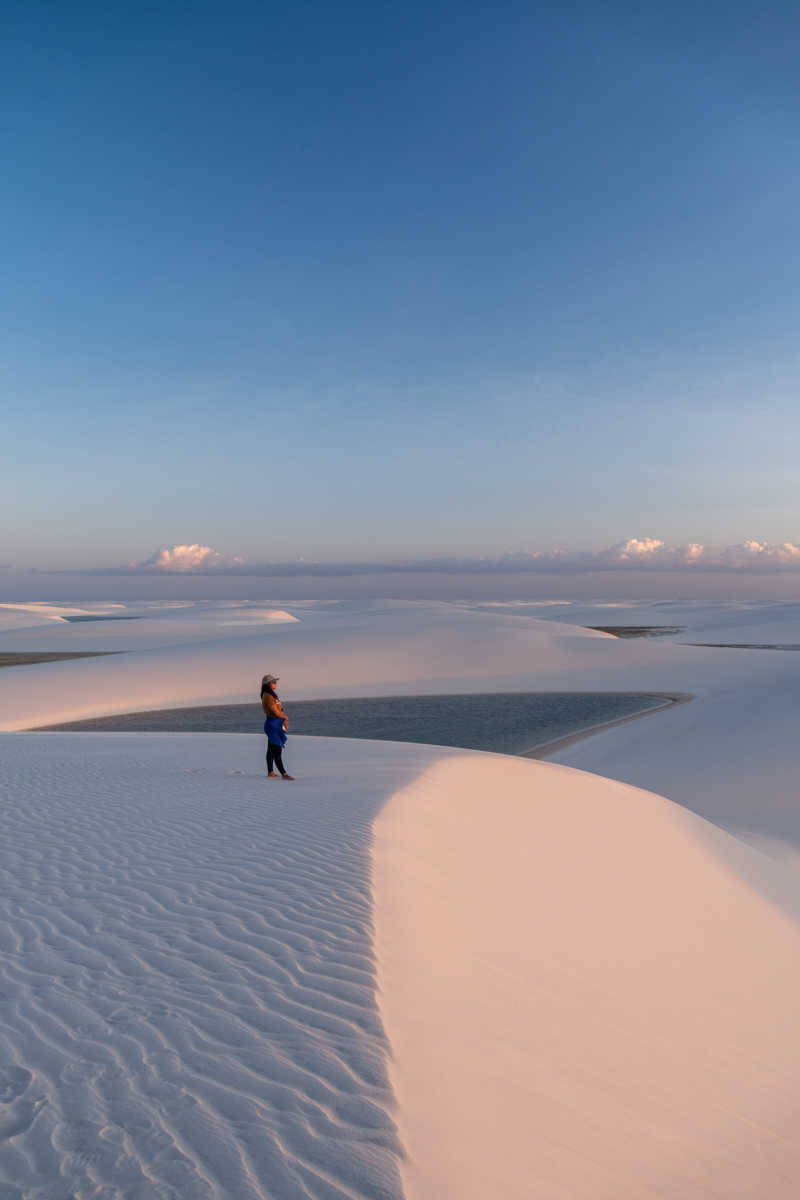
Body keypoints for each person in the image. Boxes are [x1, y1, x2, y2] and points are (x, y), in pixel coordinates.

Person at [261, 673, 294, 780]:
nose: (276, 684)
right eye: (273, 682)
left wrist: (282, 717)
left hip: (275, 723)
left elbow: (279, 710)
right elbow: (275, 711)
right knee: (277, 750)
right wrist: (286, 718)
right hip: (272, 724)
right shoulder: (268, 696)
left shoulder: (271, 695)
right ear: (268, 684)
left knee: (271, 749)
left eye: (275, 682)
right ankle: (284, 774)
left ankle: (270, 772)